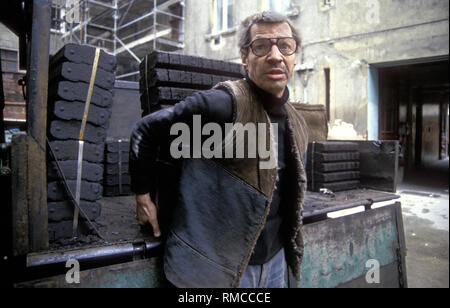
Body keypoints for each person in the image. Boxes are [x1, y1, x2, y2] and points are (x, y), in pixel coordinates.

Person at [129, 11, 309, 288]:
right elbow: (145, 131)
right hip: (216, 269)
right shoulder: (222, 105)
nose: (275, 56)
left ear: (295, 57)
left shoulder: (293, 119)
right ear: (245, 60)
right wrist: (142, 197)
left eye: (285, 46)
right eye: (261, 47)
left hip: (275, 263)